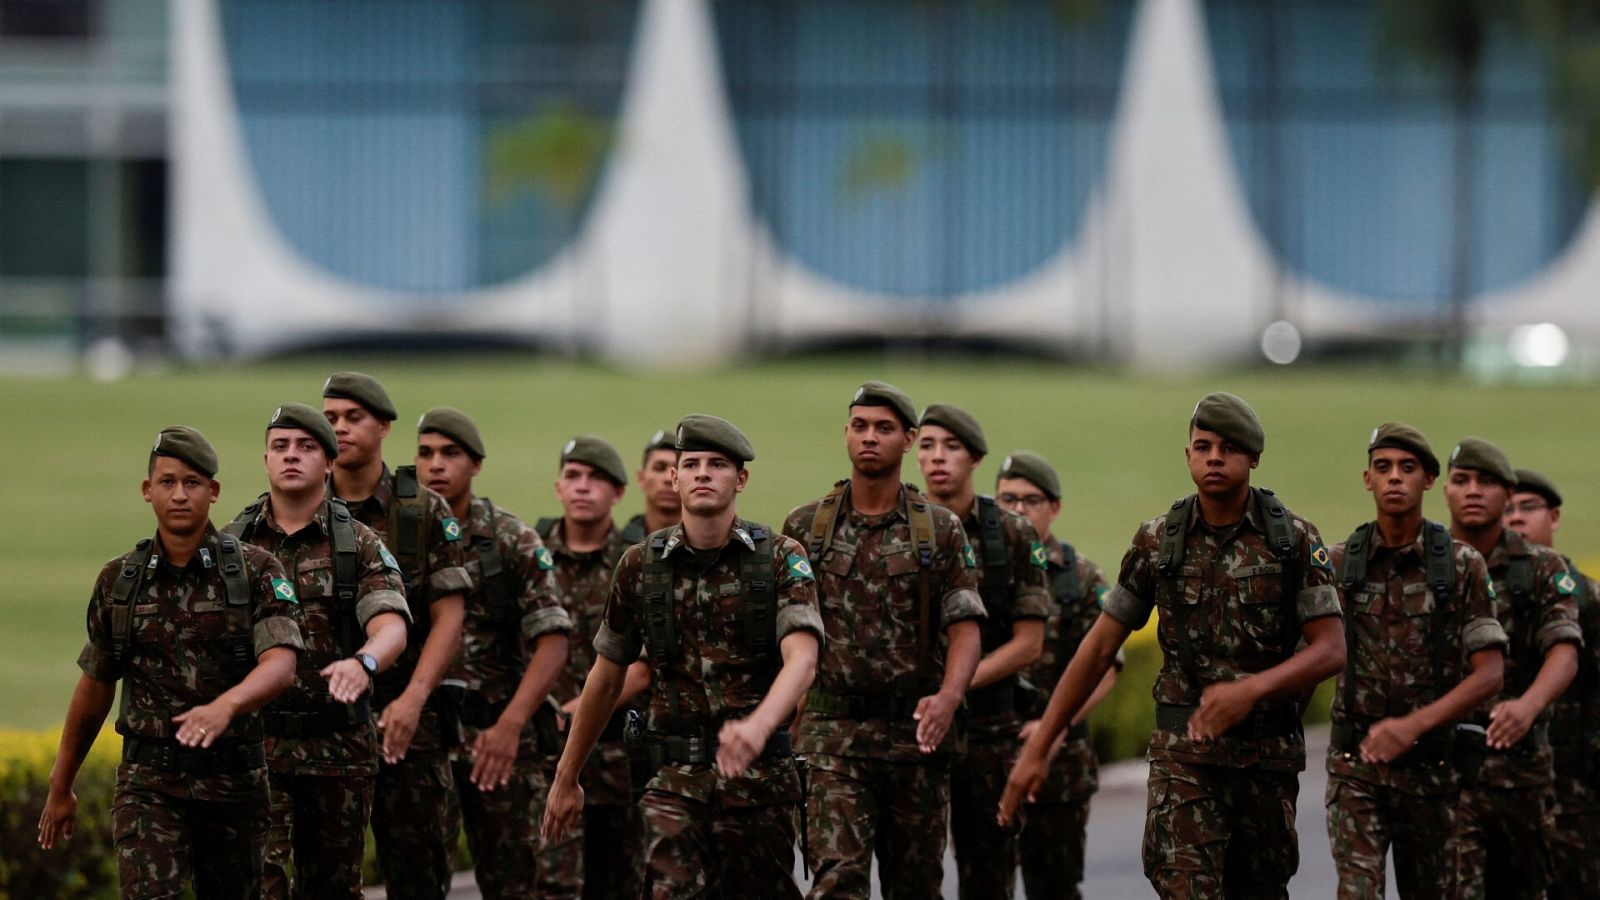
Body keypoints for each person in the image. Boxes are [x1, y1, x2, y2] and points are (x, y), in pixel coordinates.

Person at [1000, 391, 1346, 900]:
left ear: (1252, 458)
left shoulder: (1293, 540)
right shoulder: (1158, 541)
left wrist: (1250, 692)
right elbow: (1098, 649)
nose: (1213, 458)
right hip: (1184, 759)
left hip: (1266, 762)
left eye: (1227, 448)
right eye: (1202, 446)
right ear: (1188, 455)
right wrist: (1040, 745)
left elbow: (1331, 649)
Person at [543, 415, 823, 898]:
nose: (702, 474)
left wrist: (758, 727)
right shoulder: (640, 565)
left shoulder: (779, 557)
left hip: (760, 786)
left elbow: (803, 659)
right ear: (674, 478)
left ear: (741, 479)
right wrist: (566, 776)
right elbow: (606, 675)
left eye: (717, 464)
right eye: (690, 464)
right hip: (672, 782)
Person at [38, 426, 305, 899]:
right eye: (167, 482)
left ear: (214, 491)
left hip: (234, 786)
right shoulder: (120, 581)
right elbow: (96, 684)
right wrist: (62, 784)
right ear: (147, 491)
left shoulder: (256, 571)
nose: (179, 495)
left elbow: (281, 664)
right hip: (150, 785)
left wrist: (226, 707)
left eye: (192, 483)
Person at [782, 381, 986, 900]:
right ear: (846, 435)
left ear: (909, 440)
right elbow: (783, 634)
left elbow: (965, 626)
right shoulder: (806, 527)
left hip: (912, 738)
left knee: (914, 886)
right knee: (837, 883)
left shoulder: (939, 531)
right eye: (859, 426)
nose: (869, 437)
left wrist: (949, 697)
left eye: (884, 428)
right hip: (832, 737)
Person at [223, 404, 411, 900]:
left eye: (306, 447)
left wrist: (364, 662)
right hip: (255, 751)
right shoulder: (229, 547)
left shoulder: (360, 545)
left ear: (328, 462)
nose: (291, 457)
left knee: (332, 887)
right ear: (265, 459)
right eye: (281, 447)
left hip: (337, 752)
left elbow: (391, 625)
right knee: (259, 882)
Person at [1322, 424, 1506, 899]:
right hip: (1355, 766)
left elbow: (1489, 673)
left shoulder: (1461, 565)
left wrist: (1414, 725)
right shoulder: (1341, 564)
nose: (1394, 479)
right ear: (1368, 480)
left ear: (1428, 480)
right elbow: (1313, 652)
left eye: (1408, 468)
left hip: (1431, 770)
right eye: (1383, 468)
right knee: (1357, 892)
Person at [321, 372, 472, 900]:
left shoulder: (421, 510)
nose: (339, 428)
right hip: (322, 729)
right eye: (331, 417)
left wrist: (413, 700)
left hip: (406, 724)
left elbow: (448, 617)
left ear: (384, 426)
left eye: (353, 417)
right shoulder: (303, 507)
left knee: (417, 874)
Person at [415, 407, 574, 900]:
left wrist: (509, 727)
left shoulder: (510, 539)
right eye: (425, 454)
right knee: (417, 879)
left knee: (511, 881)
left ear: (476, 464)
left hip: (497, 740)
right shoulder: (401, 536)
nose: (436, 465)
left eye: (450, 453)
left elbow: (552, 643)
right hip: (425, 742)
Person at [915, 405, 1048, 900]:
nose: (937, 458)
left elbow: (1028, 643)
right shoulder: (899, 527)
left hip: (988, 731)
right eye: (926, 446)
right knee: (914, 875)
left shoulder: (1011, 534)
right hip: (914, 734)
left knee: (989, 875)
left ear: (974, 458)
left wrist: (951, 690)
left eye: (950, 447)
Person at [1444, 440, 1581, 900]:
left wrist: (1529, 706)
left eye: (1486, 482)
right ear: (1444, 490)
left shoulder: (1541, 568)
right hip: (1444, 775)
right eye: (1462, 480)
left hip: (1520, 775)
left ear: (1506, 495)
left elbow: (1564, 648)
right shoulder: (1422, 560)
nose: (1473, 491)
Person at [995, 451, 1119, 900]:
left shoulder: (1080, 578)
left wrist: (1054, 728)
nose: (1019, 510)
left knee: (1054, 887)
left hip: (1060, 764)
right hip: (990, 753)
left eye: (1031, 500)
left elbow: (1107, 670)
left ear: (1055, 508)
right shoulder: (978, 571)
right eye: (1008, 499)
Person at [538, 436, 651, 898]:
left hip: (621, 758)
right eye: (573, 476)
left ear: (619, 492)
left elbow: (644, 666)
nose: (583, 487)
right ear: (558, 487)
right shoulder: (532, 556)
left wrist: (577, 709)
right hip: (550, 755)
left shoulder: (636, 562)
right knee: (553, 885)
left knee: (624, 883)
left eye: (596, 478)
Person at [1504, 468, 1600, 899]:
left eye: (1528, 508)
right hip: (1506, 780)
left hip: (1574, 787)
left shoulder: (1588, 598)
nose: (1516, 519)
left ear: (1554, 516)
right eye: (1507, 509)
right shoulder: (1482, 590)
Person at [622, 429, 681, 544]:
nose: (669, 479)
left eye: (677, 470)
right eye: (659, 468)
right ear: (641, 478)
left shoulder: (712, 545)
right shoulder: (615, 550)